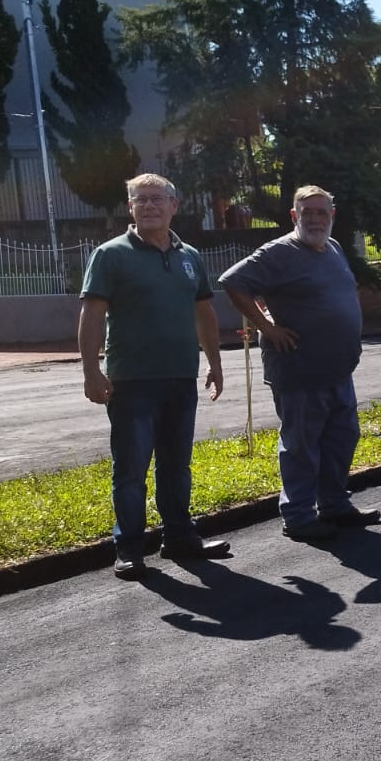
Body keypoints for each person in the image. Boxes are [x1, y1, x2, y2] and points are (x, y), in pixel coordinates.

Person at [79, 173, 232, 577]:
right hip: (131, 382)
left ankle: (180, 537)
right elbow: (91, 315)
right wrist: (92, 372)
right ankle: (129, 547)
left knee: (176, 465)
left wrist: (214, 363)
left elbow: (204, 312)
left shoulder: (190, 256)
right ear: (130, 207)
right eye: (139, 200)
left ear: (173, 205)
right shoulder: (111, 255)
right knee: (130, 468)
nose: (148, 206)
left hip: (181, 378)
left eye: (156, 199)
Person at [220, 186, 380, 542]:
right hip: (298, 369)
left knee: (341, 438)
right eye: (307, 212)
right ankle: (298, 516)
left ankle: (335, 505)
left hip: (338, 368)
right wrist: (267, 326)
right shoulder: (280, 252)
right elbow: (233, 282)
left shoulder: (333, 248)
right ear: (294, 216)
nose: (315, 218)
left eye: (322, 211)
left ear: (332, 215)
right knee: (302, 445)